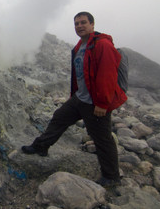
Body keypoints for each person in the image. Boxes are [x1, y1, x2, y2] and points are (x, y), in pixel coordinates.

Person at [21, 11, 127, 187]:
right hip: (79, 100)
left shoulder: (102, 45)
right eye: (76, 23)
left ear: (92, 24)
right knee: (58, 118)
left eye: (83, 22)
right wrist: (75, 95)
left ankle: (112, 176)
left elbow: (107, 75)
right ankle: (41, 147)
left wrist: (102, 103)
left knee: (102, 139)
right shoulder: (80, 46)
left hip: (95, 104)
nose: (79, 26)